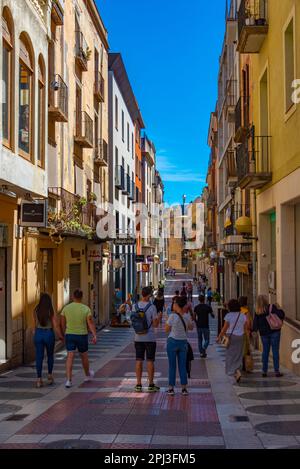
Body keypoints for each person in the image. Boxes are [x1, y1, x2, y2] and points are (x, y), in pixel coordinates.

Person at [60, 289, 97, 388]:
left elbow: (62, 322)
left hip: (70, 334)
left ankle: (68, 380)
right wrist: (94, 335)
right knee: (84, 356)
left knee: (70, 356)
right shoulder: (86, 309)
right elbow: (90, 323)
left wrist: (64, 333)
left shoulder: (66, 308)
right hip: (82, 335)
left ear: (73, 296)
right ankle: (87, 375)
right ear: (82, 297)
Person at [132, 286, 162, 392]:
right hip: (150, 338)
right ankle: (151, 384)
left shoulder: (134, 306)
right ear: (149, 295)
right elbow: (155, 325)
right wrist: (159, 317)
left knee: (138, 360)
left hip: (138, 337)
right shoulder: (152, 307)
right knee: (150, 361)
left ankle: (138, 384)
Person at [33, 293, 64, 388]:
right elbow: (55, 325)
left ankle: (39, 379)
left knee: (39, 357)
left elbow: (34, 324)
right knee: (50, 355)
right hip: (48, 334)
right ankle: (50, 376)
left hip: (38, 333)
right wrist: (60, 336)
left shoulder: (36, 310)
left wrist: (35, 334)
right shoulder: (51, 310)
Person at [165, 296, 194, 396]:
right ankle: (184, 388)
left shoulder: (172, 316)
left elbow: (166, 329)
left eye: (174, 303)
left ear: (177, 305)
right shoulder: (186, 316)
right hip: (183, 343)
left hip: (172, 342)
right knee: (182, 366)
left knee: (172, 366)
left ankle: (171, 388)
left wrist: (167, 320)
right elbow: (191, 327)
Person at [217, 299, 250, 383]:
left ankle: (234, 371)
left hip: (230, 337)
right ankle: (237, 371)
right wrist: (247, 337)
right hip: (240, 337)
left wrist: (219, 336)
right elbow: (246, 327)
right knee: (238, 355)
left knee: (230, 355)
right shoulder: (242, 315)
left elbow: (225, 328)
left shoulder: (228, 316)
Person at [252, 295, 285, 378]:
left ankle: (264, 371)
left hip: (263, 334)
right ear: (266, 300)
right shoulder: (272, 307)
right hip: (274, 332)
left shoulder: (257, 311)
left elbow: (255, 323)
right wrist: (279, 308)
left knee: (265, 352)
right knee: (275, 351)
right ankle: (276, 371)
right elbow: (282, 315)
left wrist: (255, 331)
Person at [239, 296, 252, 372]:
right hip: (244, 332)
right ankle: (245, 365)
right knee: (245, 349)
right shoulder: (245, 311)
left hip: (237, 332)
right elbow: (248, 323)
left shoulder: (237, 311)